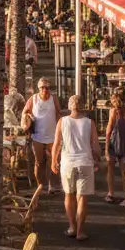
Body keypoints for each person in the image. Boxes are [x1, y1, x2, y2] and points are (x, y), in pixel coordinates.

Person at [51, 94, 99, 241]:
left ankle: (71, 227)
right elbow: (96, 146)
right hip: (85, 162)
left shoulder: (62, 121)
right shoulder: (89, 123)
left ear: (70, 106)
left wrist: (54, 160)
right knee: (82, 197)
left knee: (69, 195)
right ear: (83, 105)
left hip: (68, 162)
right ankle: (80, 231)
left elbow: (57, 144)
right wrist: (97, 160)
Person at [22, 77, 60, 194]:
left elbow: (58, 113)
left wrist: (60, 131)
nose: (44, 90)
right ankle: (40, 186)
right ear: (38, 88)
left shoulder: (54, 99)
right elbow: (25, 112)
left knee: (53, 161)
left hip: (52, 135)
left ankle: (53, 186)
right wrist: (27, 121)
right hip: (37, 136)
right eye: (42, 87)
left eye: (46, 87)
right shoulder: (33, 99)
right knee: (39, 162)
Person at [104, 89, 125, 205]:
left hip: (114, 144)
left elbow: (108, 131)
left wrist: (106, 149)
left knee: (111, 169)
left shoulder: (113, 112)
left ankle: (110, 193)